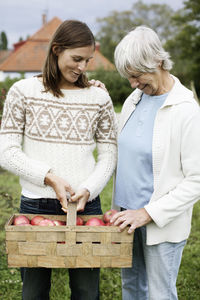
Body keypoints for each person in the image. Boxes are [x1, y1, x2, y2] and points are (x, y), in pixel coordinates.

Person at [0, 20, 117, 300]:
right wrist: (49, 177)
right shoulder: (22, 92)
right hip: (35, 206)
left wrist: (88, 188)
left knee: (87, 293)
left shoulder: (99, 98)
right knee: (33, 293)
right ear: (56, 50)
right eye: (76, 59)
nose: (83, 68)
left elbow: (110, 154)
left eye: (88, 60)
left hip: (86, 206)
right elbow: (6, 150)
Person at [108, 26, 200, 300]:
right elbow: (128, 143)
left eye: (137, 75)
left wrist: (147, 214)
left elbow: (196, 180)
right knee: (131, 290)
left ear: (158, 63)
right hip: (125, 217)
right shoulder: (135, 99)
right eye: (128, 77)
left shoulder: (187, 111)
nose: (132, 84)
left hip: (159, 222)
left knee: (159, 294)